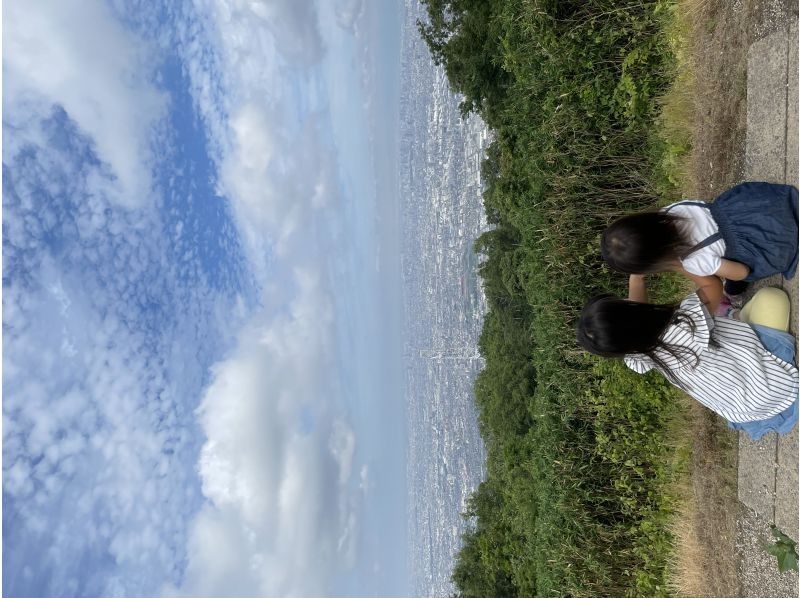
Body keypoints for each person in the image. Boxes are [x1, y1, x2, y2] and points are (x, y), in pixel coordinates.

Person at [576, 276, 798, 440]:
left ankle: (732, 316)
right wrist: (676, 258)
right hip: (774, 386)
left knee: (725, 320)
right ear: (628, 307)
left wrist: (637, 278)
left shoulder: (639, 356)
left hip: (746, 411)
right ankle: (733, 316)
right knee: (772, 298)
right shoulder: (684, 322)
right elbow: (713, 285)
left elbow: (636, 316)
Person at [600, 182, 798, 296]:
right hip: (756, 204)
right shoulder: (673, 210)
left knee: (737, 278)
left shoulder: (693, 261)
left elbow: (740, 271)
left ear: (656, 263)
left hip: (772, 240)